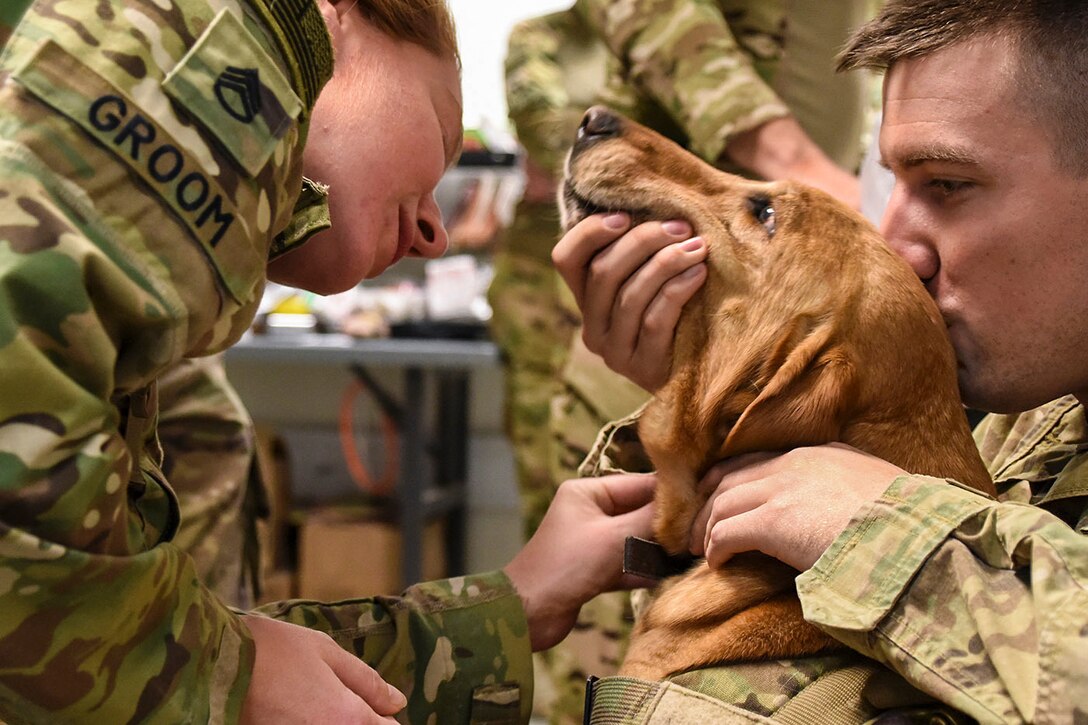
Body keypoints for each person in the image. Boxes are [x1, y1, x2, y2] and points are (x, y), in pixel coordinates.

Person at [0, 1, 657, 723]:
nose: (437, 234)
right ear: (333, 16)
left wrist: (516, 602)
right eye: (439, 134)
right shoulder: (236, 28)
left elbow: (159, 639)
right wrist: (228, 673)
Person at [553, 0, 1088, 720]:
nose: (898, 243)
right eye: (889, 182)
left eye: (948, 186)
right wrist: (710, 384)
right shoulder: (1028, 409)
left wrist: (884, 531)